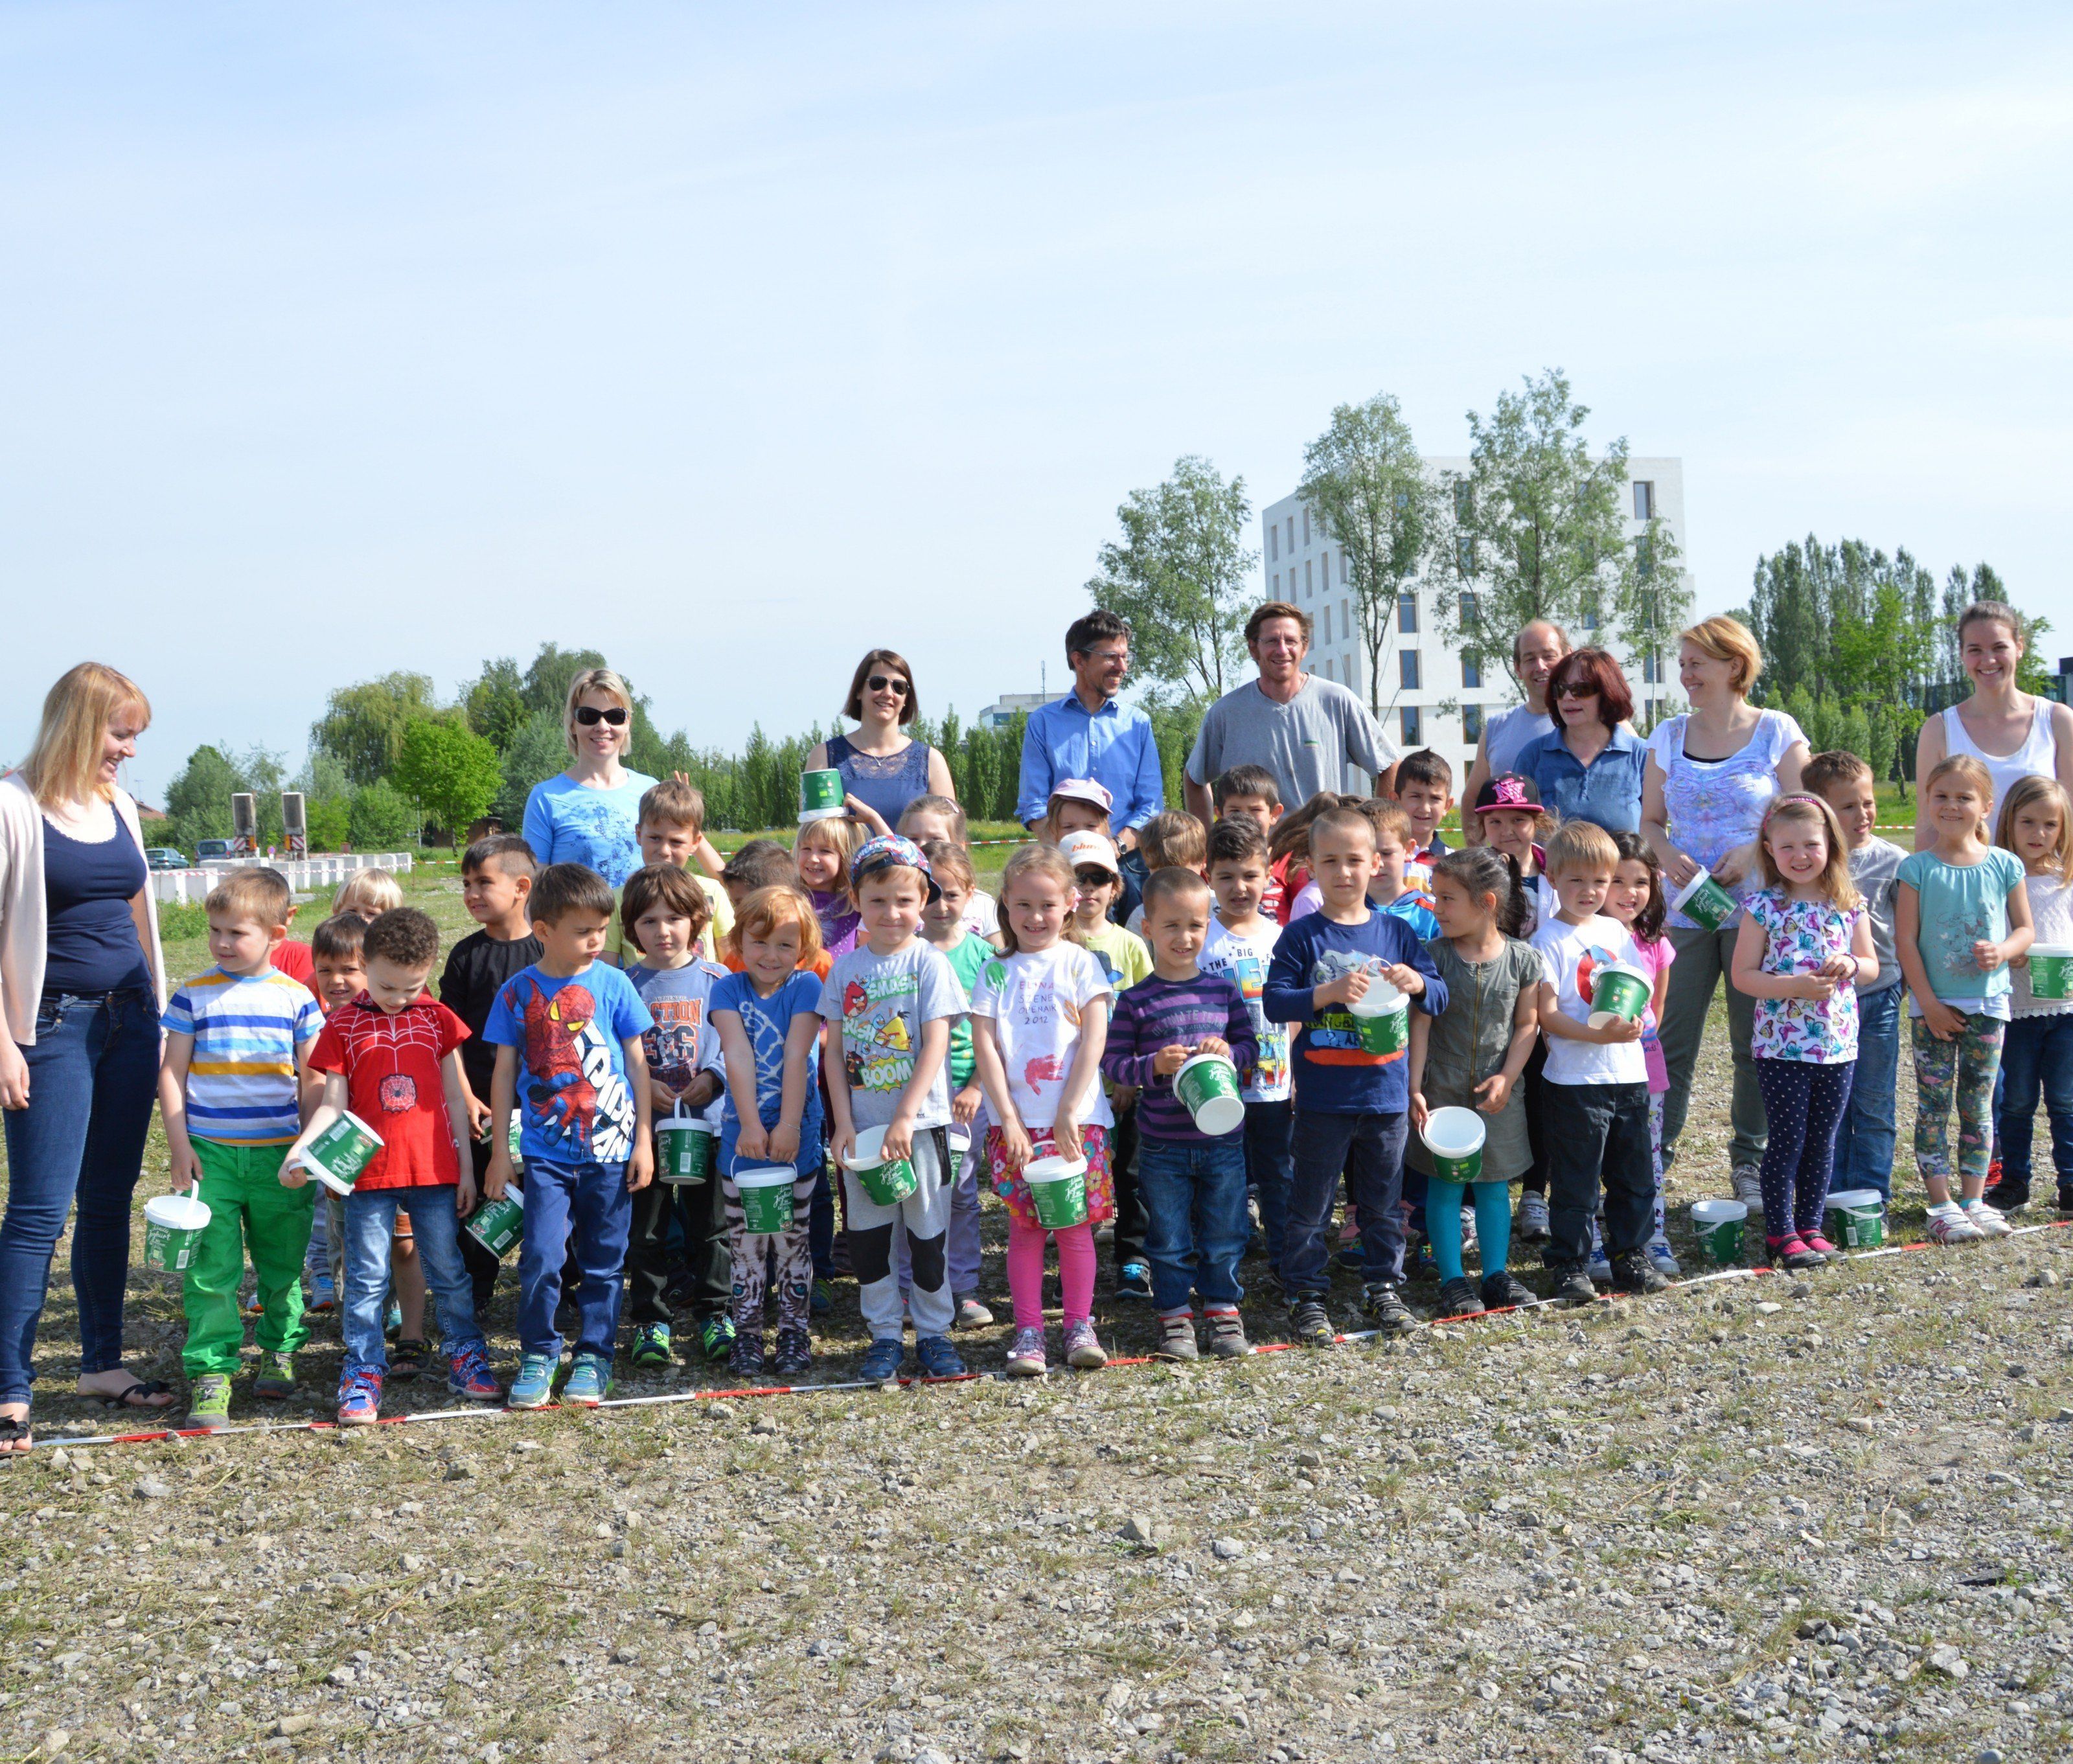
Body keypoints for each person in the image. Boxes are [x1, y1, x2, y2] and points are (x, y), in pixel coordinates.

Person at [0, 663, 170, 1449]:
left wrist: (160, 1017)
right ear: (78, 722)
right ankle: (10, 1384)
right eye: (121, 733)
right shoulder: (11, 803)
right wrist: (5, 1040)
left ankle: (102, 1362)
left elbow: (138, 916)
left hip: (130, 1020)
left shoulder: (115, 807)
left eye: (136, 734)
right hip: (52, 1026)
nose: (131, 750)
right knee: (38, 1211)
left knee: (110, 1198)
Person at [287, 908, 503, 1425]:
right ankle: (363, 1368)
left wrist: (468, 1172)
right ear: (366, 962)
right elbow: (333, 1103)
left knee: (449, 1271)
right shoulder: (341, 1024)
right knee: (365, 1277)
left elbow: (456, 1096)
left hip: (434, 1171)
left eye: (413, 987)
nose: (399, 998)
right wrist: (304, 1149)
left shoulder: (437, 1018)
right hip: (368, 1176)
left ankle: (465, 1354)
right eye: (387, 985)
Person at [1642, 615, 1811, 1212]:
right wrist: (1667, 855)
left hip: (1759, 914)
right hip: (1685, 914)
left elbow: (1804, 807)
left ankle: (1751, 1161)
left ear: (1734, 665)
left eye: (1696, 663)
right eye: (1683, 663)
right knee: (1670, 1039)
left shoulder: (1776, 731)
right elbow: (1650, 821)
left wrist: (1758, 846)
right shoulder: (1666, 734)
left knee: (1754, 1042)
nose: (1684, 674)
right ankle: (1654, 1159)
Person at [1265, 805, 1447, 1344]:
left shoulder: (1396, 932)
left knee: (1384, 1201)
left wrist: (1416, 980)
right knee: (1312, 1201)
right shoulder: (1301, 937)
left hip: (1385, 1094)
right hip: (1323, 1096)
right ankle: (1306, 1291)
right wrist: (1327, 993)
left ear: (1376, 864)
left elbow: (1439, 995)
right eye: (1330, 861)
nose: (1343, 872)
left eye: (1354, 860)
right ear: (1312, 867)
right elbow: (1275, 1004)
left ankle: (1383, 1286)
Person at [484, 863, 657, 1410]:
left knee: (606, 1259)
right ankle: (539, 1351)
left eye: (601, 930)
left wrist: (645, 1138)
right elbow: (504, 1073)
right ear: (543, 931)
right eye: (583, 931)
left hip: (611, 1149)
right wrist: (497, 1155)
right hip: (544, 1154)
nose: (595, 942)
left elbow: (637, 1064)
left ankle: (594, 1354)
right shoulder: (516, 992)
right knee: (539, 1254)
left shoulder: (615, 982)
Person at [157, 868, 324, 1427]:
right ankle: (212, 1371)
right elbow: (171, 1074)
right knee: (212, 1269)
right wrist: (180, 1145)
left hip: (280, 1157)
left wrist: (306, 1147)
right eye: (215, 930)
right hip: (212, 1158)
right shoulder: (192, 995)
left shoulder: (297, 998)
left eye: (237, 933)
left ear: (278, 932)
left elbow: (315, 1080)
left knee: (282, 1263)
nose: (223, 943)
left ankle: (279, 1350)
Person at [819, 835, 968, 1385]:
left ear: (923, 899)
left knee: (928, 1235)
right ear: (857, 900)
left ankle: (933, 1333)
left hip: (921, 1129)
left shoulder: (930, 964)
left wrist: (906, 1116)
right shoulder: (843, 970)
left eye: (904, 900)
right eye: (877, 900)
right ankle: (883, 1335)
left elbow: (935, 1045)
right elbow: (833, 1054)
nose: (891, 912)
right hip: (863, 1137)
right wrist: (844, 1124)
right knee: (869, 1239)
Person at [969, 843, 1116, 1377]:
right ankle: (1029, 1330)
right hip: (1018, 1125)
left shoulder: (1081, 964)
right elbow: (985, 1046)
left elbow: (1094, 1038)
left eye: (1048, 904)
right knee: (1025, 1229)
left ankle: (1079, 1324)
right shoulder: (993, 971)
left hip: (1076, 1123)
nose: (1035, 916)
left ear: (1070, 903)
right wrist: (1007, 1117)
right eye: (1023, 904)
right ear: (1005, 904)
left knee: (1075, 1227)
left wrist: (1069, 1110)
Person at [1102, 867, 1257, 1360]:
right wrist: (1152, 1065)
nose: (1184, 936)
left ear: (1207, 926)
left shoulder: (1224, 991)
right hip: (1163, 1146)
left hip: (1224, 1141)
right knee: (1166, 1235)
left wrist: (1230, 1053)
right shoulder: (1135, 1000)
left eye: (1194, 925)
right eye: (1171, 926)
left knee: (1226, 1229)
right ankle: (1173, 1316)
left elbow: (1252, 1048)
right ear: (1146, 928)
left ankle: (1222, 1310)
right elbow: (1113, 1062)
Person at [1729, 795, 1877, 1272]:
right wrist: (1791, 986)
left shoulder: (1849, 905)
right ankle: (1780, 1232)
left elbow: (1872, 965)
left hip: (1837, 1045)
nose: (1799, 855)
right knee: (1788, 1138)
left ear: (1830, 845)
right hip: (1781, 1045)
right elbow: (1743, 976)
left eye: (1810, 844)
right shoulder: (1764, 908)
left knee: (1822, 1139)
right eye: (1786, 845)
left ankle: (1810, 1225)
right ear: (1769, 849)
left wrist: (1851, 963)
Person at [1895, 755, 2033, 1243]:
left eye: (1964, 797)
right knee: (1933, 1105)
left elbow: (2024, 929)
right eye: (1942, 796)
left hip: (1990, 1007)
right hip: (1933, 1009)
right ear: (1927, 801)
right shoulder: (1915, 869)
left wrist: (2004, 951)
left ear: (1986, 806)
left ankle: (1975, 1198)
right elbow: (1906, 942)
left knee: (1978, 1104)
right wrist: (1928, 1002)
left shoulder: (2005, 864)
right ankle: (1940, 1202)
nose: (1952, 805)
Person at [1531, 821, 1667, 1305]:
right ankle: (1570, 1261)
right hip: (1575, 1080)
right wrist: (1596, 1033)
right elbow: (1547, 1016)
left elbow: (1639, 987)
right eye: (1576, 881)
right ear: (1552, 879)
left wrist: (1639, 1018)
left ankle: (1630, 1253)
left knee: (1634, 1175)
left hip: (1629, 1074)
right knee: (1576, 1178)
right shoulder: (1547, 939)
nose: (1590, 891)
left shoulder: (1616, 930)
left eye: (1600, 881)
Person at [1406, 845, 1540, 1319]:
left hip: (1498, 1097)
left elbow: (1528, 1024)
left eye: (1446, 899)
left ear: (1485, 902)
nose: (1436, 908)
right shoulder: (1432, 956)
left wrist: (1508, 1076)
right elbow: (1419, 1022)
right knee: (1444, 1186)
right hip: (1441, 1091)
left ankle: (1495, 1274)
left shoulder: (1524, 958)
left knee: (1494, 1185)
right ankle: (1452, 1279)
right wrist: (1415, 1085)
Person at [711, 886, 828, 1379]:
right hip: (743, 1142)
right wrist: (754, 1126)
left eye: (785, 944)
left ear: (802, 948)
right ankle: (748, 1335)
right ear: (739, 940)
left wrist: (785, 1126)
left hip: (794, 1138)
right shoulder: (726, 989)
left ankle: (795, 1332)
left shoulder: (806, 987)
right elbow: (736, 1054)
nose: (771, 955)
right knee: (746, 1245)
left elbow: (799, 1055)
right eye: (760, 942)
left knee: (793, 1241)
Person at [619, 865, 729, 1372]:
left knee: (712, 1225)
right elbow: (611, 1051)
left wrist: (716, 1074)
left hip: (708, 1125)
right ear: (629, 928)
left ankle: (716, 1312)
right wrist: (641, 1087)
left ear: (698, 921)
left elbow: (739, 1041)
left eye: (674, 918)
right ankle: (650, 1318)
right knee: (648, 1229)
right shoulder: (623, 984)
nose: (662, 930)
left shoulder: (720, 980)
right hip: (645, 1132)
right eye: (648, 920)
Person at [439, 835, 541, 1316]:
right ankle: (475, 1288)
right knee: (482, 1195)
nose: (472, 893)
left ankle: (557, 1284)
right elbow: (450, 1035)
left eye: (484, 882)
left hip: (543, 1104)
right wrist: (465, 1096)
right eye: (466, 884)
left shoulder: (549, 949)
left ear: (522, 887)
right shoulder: (464, 956)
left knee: (547, 1194)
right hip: (480, 1102)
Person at [1184, 602, 1399, 825]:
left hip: (1321, 851)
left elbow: (1389, 765)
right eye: (1272, 641)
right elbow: (1194, 779)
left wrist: (1377, 831)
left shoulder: (1337, 701)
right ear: (1253, 648)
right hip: (1253, 853)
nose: (1282, 649)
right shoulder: (1226, 713)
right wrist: (1209, 843)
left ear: (1304, 647)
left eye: (1291, 641)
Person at [1807, 753, 1908, 1207]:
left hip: (1878, 996)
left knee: (1873, 1102)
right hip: (1823, 1005)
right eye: (1848, 806)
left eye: (1868, 802)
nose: (1863, 813)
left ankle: (1870, 1198)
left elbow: (1909, 933)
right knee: (1831, 1106)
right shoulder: (1807, 865)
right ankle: (1830, 1197)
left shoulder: (1896, 861)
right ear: (1820, 809)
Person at [1058, 829, 1154, 1303]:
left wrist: (1131, 1077)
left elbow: (1145, 1014)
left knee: (1130, 1173)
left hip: (1123, 1083)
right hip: (1069, 1086)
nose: (1090, 888)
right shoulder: (1054, 947)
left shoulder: (1130, 944)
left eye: (1100, 878)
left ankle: (1133, 1256)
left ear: (1116, 888)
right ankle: (1077, 1260)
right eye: (1080, 878)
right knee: (1074, 1172)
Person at [1201, 818, 1292, 1281]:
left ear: (1268, 876)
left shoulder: (1281, 939)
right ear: (1208, 876)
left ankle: (1285, 1264)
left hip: (1276, 1088)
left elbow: (1296, 1010)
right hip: (1222, 1091)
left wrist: (1296, 1074)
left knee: (1279, 1178)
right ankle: (1224, 1273)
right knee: (1225, 1183)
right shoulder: (1200, 941)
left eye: (1250, 875)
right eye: (1226, 876)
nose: (1240, 887)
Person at [916, 841, 996, 1326]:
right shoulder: (905, 953)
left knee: (962, 1191)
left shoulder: (987, 955)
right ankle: (915, 1287)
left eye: (951, 893)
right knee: (917, 1194)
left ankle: (964, 1287)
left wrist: (978, 1087)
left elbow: (998, 1033)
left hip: (969, 1095)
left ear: (970, 895)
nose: (941, 905)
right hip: (916, 1095)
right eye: (931, 893)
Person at [1914, 600, 2073, 842]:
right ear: (1962, 654)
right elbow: (1927, 825)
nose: (1988, 660)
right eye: (1975, 650)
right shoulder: (1939, 729)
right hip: (1967, 879)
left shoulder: (2057, 721)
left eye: (1999, 647)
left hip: (2045, 878)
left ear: (2019, 647)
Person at [1015, 610, 1164, 847]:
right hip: (1064, 864)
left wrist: (1115, 848)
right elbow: (1033, 803)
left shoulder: (1138, 724)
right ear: (1079, 660)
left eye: (1126, 657)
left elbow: (1151, 806)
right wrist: (1070, 852)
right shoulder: (1043, 723)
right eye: (1111, 657)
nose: (1122, 667)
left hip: (1129, 866)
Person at [1993, 777, 2073, 1214]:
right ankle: (2014, 1182)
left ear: (2063, 829)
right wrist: (2010, 952)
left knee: (2065, 1099)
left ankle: (2071, 1182)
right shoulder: (2000, 877)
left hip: (2066, 1012)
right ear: (2009, 821)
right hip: (2016, 1009)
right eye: (2028, 822)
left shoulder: (2067, 880)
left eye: (2049, 824)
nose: (2038, 833)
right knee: (2017, 1100)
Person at [1603, 832, 1679, 1276]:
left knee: (1645, 1157)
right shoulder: (1585, 936)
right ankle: (1596, 1239)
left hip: (1644, 1067)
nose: (1629, 893)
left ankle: (1653, 1235)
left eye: (1640, 882)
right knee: (1596, 1157)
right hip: (1591, 1069)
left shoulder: (1656, 943)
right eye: (1617, 880)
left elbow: (1658, 1010)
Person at [521, 668, 659, 888]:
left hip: (642, 921)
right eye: (589, 716)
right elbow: (534, 888)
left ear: (628, 722)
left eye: (615, 716)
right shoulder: (545, 798)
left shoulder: (651, 791)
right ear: (572, 723)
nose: (603, 726)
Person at [805, 649, 958, 832]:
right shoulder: (823, 757)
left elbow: (951, 844)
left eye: (899, 687)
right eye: (878, 683)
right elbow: (812, 838)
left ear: (906, 699)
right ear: (859, 690)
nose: (888, 693)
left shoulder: (932, 761)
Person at [303, 910, 371, 1310]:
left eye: (349, 969)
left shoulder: (390, 1019)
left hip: (384, 1145)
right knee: (339, 1228)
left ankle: (394, 1303)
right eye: (325, 970)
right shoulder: (324, 1024)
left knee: (392, 1232)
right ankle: (346, 1301)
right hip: (338, 1146)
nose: (336, 980)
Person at [1513, 648, 1649, 835]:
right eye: (1560, 690)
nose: (1568, 697)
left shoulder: (1642, 756)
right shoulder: (1533, 756)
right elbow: (1516, 828)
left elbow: (1655, 829)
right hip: (1552, 865)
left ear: (1608, 693)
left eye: (1581, 690)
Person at [604, 781, 735, 967]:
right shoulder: (618, 899)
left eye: (676, 842)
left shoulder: (712, 892)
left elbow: (731, 961)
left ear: (695, 842)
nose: (665, 850)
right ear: (639, 834)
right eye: (655, 838)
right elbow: (606, 971)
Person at [1463, 621, 1571, 842]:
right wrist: (1477, 862)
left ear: (1568, 658)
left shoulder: (1593, 723)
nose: (1540, 666)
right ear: (1518, 668)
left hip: (1575, 870)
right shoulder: (1497, 728)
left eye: (1549, 655)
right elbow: (1472, 799)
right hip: (1511, 870)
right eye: (1530, 658)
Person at [900, 796, 1002, 946]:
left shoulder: (983, 905)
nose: (922, 846)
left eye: (935, 839)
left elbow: (998, 959)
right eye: (913, 839)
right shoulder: (894, 903)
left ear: (959, 847)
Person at [1211, 766, 1287, 919]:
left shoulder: (1289, 865)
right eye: (1235, 811)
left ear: (1274, 813)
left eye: (1255, 810)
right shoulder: (1212, 861)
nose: (1245, 817)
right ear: (1219, 813)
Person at [1123, 812, 1207, 936]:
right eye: (1162, 876)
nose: (1172, 885)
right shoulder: (1142, 915)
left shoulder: (1217, 905)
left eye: (1181, 876)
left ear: (1202, 862)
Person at [794, 813, 864, 962]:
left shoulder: (855, 903)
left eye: (825, 851)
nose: (813, 858)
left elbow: (896, 879)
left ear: (845, 856)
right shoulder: (789, 901)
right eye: (806, 848)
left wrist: (873, 819)